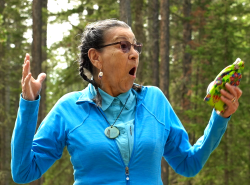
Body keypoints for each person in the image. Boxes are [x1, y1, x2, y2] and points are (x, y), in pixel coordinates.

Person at [11, 19, 242, 185]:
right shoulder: (69, 108)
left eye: (135, 46)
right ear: (95, 57)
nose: (134, 54)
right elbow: (23, 172)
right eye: (123, 46)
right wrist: (28, 104)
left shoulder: (155, 101)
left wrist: (220, 118)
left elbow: (188, 164)